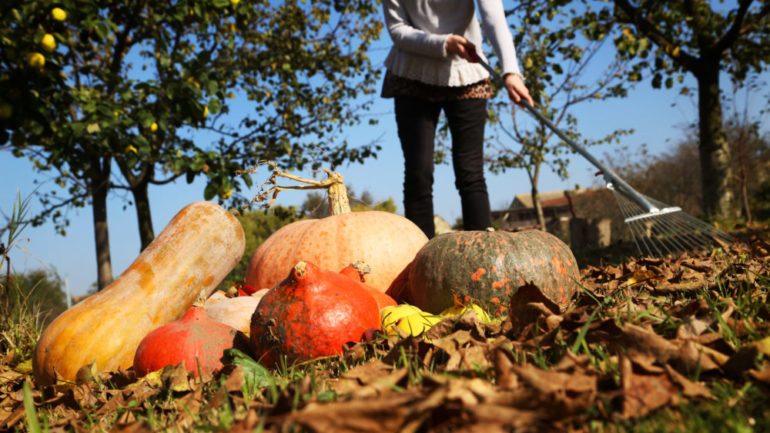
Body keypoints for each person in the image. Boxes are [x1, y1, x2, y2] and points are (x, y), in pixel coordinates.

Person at [381, 0, 534, 238]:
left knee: (470, 172)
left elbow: (494, 18)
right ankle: (418, 259)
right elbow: (398, 30)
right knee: (418, 173)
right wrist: (444, 42)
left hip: (467, 73)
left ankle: (482, 258)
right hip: (411, 73)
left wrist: (511, 71)